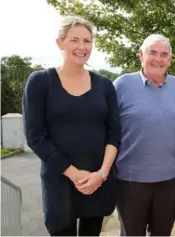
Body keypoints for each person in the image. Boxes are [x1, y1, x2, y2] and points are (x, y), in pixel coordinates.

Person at [22, 15, 120, 236]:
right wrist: (75, 175)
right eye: (74, 40)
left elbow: (114, 133)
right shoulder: (40, 82)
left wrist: (101, 175)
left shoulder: (104, 85)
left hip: (97, 181)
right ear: (60, 43)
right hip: (60, 182)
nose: (82, 47)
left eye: (87, 41)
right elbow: (36, 136)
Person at [113, 34, 175, 236]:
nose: (158, 59)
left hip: (170, 180)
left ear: (170, 59)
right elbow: (109, 132)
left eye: (164, 54)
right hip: (129, 180)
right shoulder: (121, 85)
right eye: (152, 52)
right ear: (140, 54)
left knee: (162, 233)